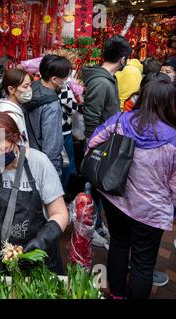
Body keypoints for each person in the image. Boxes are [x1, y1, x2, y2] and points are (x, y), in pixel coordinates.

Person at [87, 73, 175, 299]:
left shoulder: (120, 120)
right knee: (143, 264)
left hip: (115, 199)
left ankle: (116, 294)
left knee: (118, 245)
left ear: (142, 95)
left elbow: (93, 144)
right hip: (150, 212)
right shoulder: (173, 138)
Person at [0, 112, 68, 274]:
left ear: (14, 137)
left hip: (39, 255)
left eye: (3, 149)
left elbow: (60, 213)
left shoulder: (39, 163)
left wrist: (41, 242)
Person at [82, 35, 132, 249]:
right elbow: (91, 117)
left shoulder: (106, 79)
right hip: (99, 145)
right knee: (93, 188)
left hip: (102, 142)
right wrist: (94, 146)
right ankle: (89, 228)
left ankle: (97, 225)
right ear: (122, 59)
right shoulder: (102, 82)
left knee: (97, 189)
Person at [24, 54, 72, 176]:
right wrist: (53, 174)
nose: (67, 79)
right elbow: (52, 145)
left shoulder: (32, 88)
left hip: (27, 155)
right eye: (66, 76)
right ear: (54, 79)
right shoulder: (52, 105)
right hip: (42, 163)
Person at [0, 68, 32, 145]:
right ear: (11, 89)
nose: (30, 89)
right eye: (25, 86)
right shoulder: (9, 116)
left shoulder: (15, 108)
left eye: (30, 85)